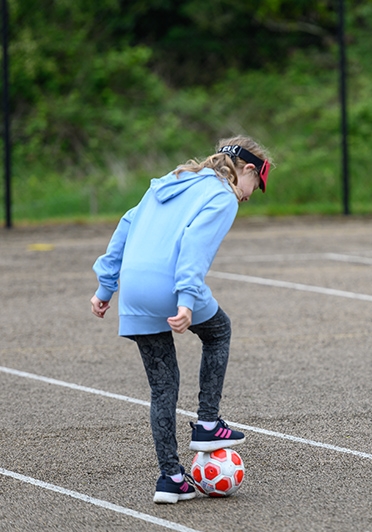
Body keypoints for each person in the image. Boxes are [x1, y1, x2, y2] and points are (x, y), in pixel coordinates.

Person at [90, 135, 272, 502]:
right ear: (247, 170)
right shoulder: (223, 196)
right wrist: (187, 300)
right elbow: (194, 247)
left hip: (135, 287)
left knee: (162, 387)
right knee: (219, 331)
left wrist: (105, 287)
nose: (252, 194)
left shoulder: (172, 178)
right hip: (172, 285)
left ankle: (171, 479)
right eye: (257, 184)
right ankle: (207, 423)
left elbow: (127, 223)